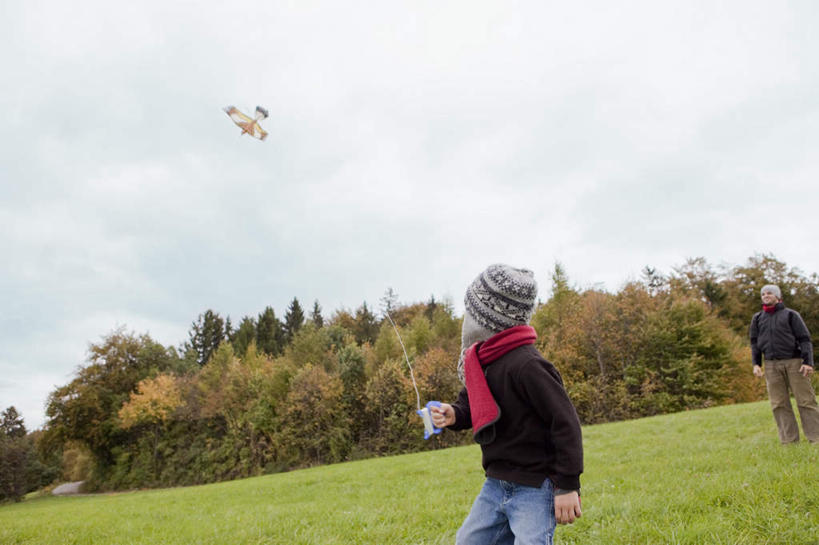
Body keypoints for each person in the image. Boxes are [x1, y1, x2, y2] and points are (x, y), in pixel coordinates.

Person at [431, 264, 583, 545]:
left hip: (536, 487)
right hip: (496, 484)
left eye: (471, 311)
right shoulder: (483, 359)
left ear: (490, 318)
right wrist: (454, 414)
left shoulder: (528, 365)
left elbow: (565, 423)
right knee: (468, 541)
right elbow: (474, 403)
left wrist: (567, 486)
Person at [750, 284, 819, 444]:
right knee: (778, 403)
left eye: (769, 293)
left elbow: (804, 339)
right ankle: (789, 441)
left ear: (778, 296)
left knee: (806, 401)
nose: (766, 296)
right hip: (771, 365)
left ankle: (816, 438)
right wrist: (756, 364)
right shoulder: (758, 318)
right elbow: (754, 343)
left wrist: (808, 362)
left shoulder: (791, 315)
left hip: (794, 362)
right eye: (763, 294)